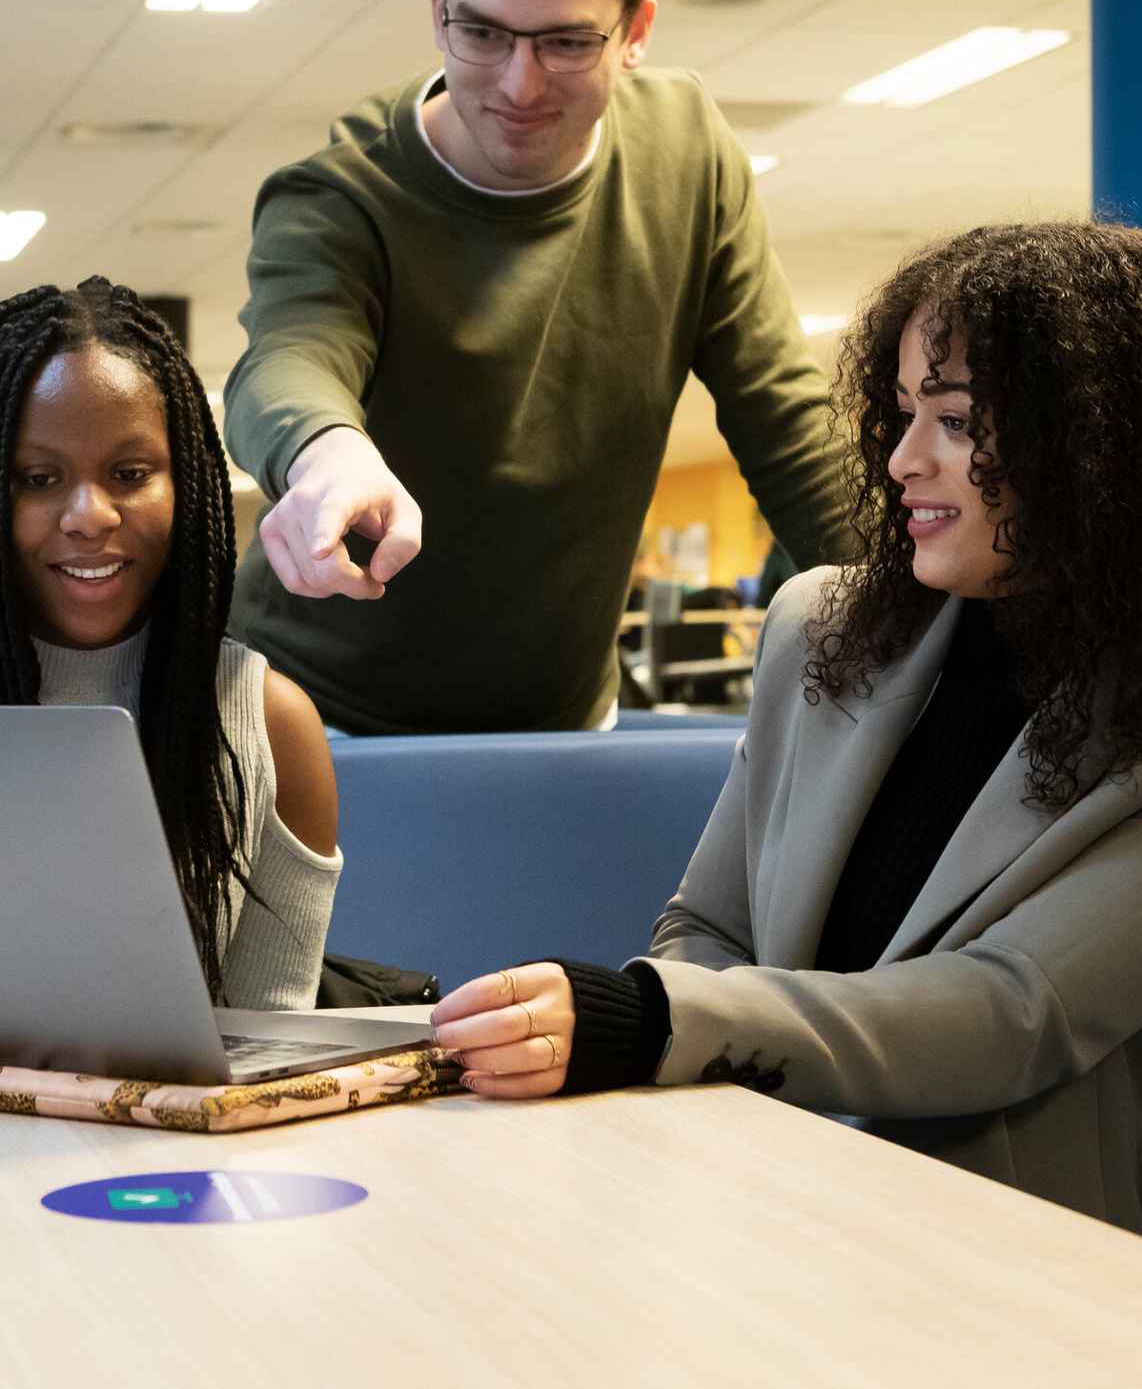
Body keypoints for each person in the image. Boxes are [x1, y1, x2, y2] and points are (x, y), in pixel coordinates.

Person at [430, 220, 1142, 1232]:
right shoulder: (823, 628)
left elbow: (1010, 1013)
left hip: (1018, 1245)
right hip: (763, 1196)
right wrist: (706, 1058)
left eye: (951, 418)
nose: (900, 459)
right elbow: (709, 924)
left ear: (1092, 437)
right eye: (899, 414)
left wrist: (659, 1022)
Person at [222, 0, 851, 735]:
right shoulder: (344, 193)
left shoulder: (687, 153)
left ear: (635, 29)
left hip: (561, 719)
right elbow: (288, 360)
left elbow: (789, 426)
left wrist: (927, 617)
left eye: (564, 41)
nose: (519, 84)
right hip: (320, 718)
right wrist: (327, 450)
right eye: (481, 32)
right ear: (438, 7)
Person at [0, 277, 340, 1011]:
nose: (89, 515)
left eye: (130, 473)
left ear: (189, 484)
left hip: (159, 1128)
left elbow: (268, 1042)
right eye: (39, 478)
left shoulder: (273, 726)